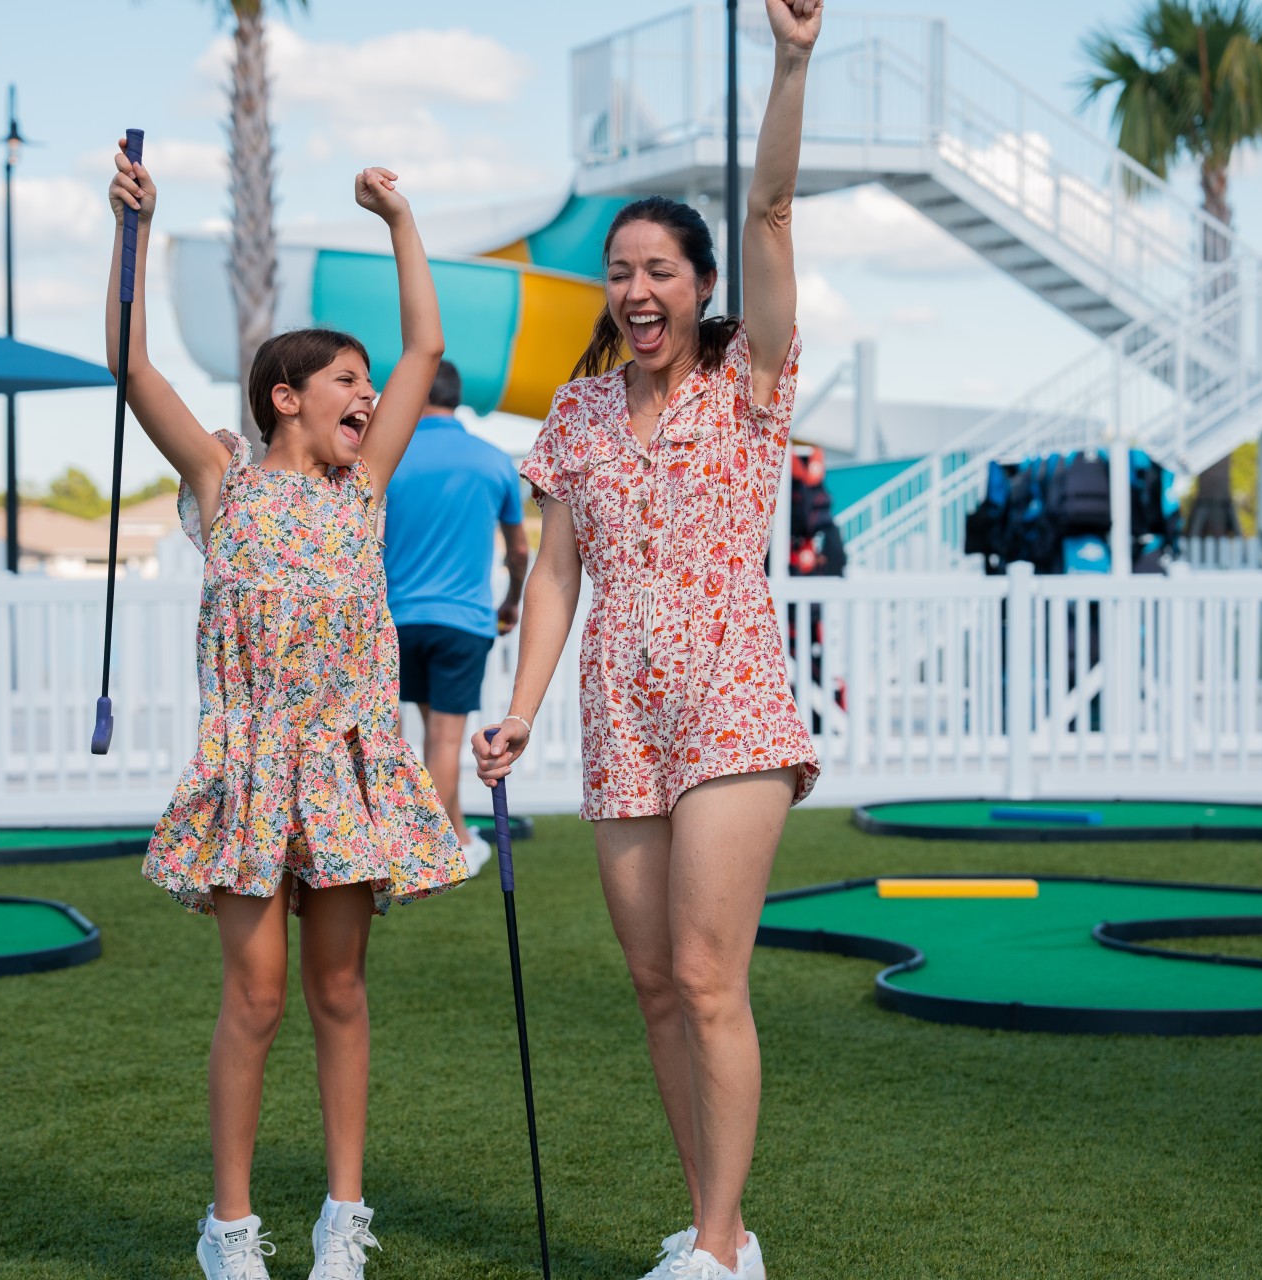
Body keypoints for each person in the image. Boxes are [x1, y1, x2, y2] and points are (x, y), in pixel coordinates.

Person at [473, 4, 824, 1277]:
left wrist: (790, 63)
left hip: (730, 695)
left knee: (707, 973)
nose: (634, 289)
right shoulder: (574, 413)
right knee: (654, 987)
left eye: (659, 270)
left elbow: (774, 210)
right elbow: (557, 571)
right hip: (621, 709)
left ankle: (723, 1246)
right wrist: (520, 705)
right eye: (619, 272)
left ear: (702, 285)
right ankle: (710, 1218)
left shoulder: (750, 384)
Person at [106, 143, 466, 1280]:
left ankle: (343, 1217)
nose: (368, 395)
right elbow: (127, 361)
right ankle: (229, 1225)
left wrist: (399, 218)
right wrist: (135, 229)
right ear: (285, 397)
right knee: (256, 995)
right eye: (345, 384)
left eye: (367, 386)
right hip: (252, 765)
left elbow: (427, 348)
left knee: (340, 990)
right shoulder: (224, 484)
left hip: (346, 765)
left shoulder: (363, 490)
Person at [382, 360, 529, 876]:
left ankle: (457, 834)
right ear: (457, 397)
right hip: (464, 620)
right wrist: (511, 600)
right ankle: (426, 852)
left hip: (393, 620)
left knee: (407, 734)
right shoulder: (492, 460)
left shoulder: (386, 458)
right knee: (444, 740)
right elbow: (518, 552)